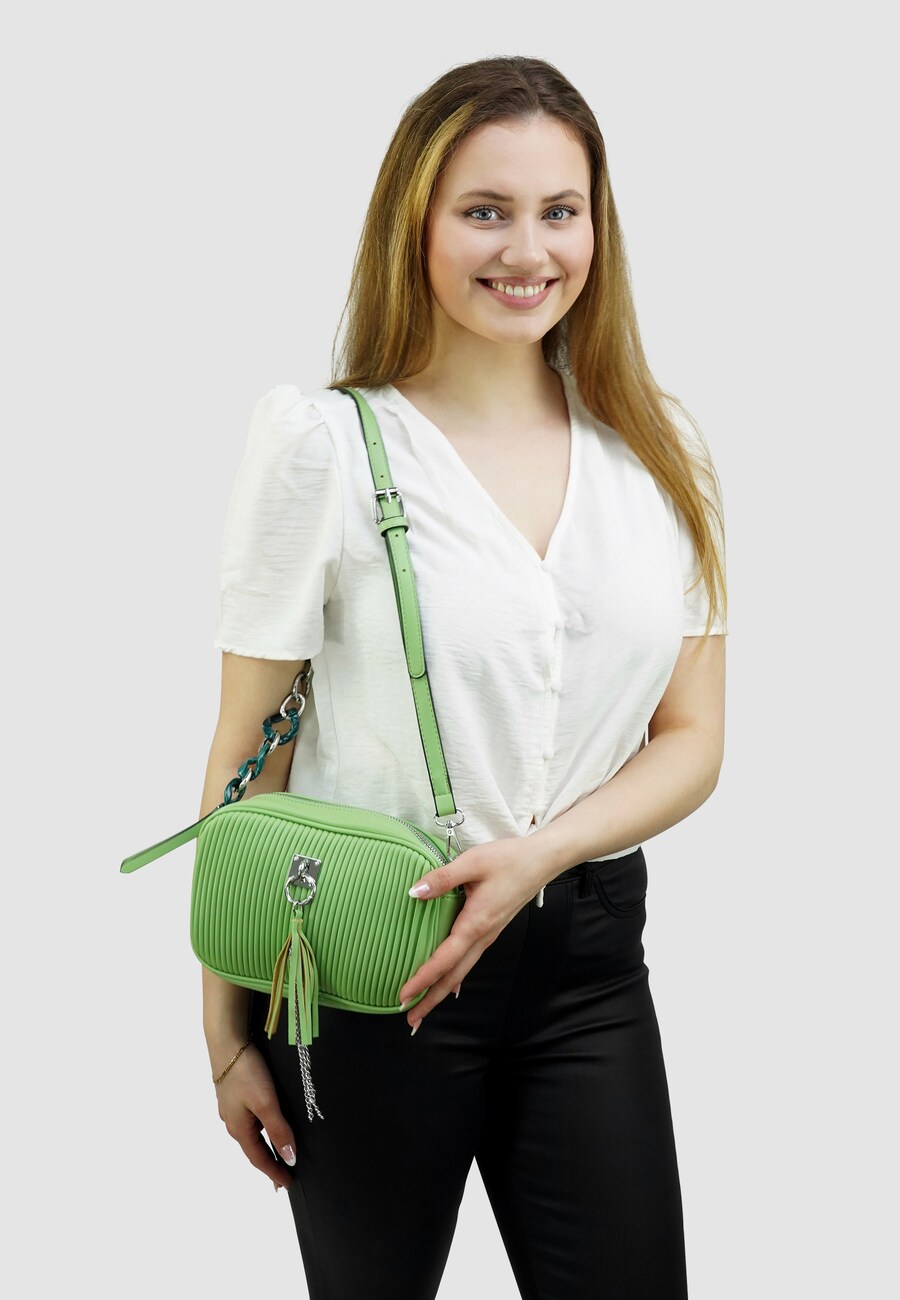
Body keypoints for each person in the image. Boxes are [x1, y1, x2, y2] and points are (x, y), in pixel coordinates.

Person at [199, 54, 727, 1300]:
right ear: (416, 224)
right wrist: (225, 1026)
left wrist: (539, 857)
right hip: (364, 961)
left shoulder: (658, 452)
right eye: (485, 210)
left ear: (597, 226)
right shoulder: (326, 447)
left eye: (561, 210)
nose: (527, 250)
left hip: (591, 966)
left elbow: (694, 736)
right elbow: (247, 755)